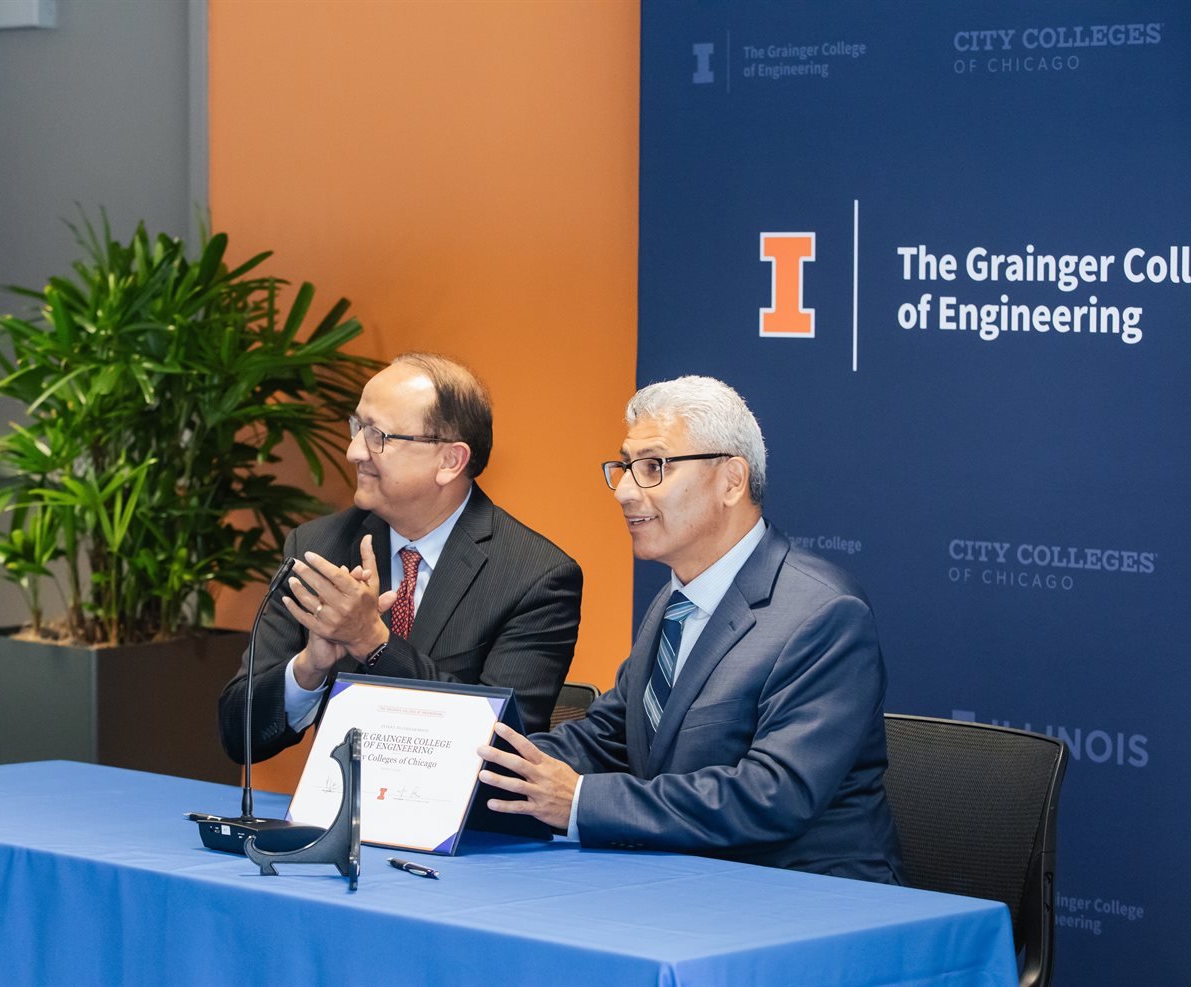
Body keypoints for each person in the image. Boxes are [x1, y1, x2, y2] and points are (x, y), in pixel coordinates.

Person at [476, 376, 903, 882]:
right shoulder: (676, 600)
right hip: (686, 877)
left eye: (653, 467)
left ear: (731, 480)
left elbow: (774, 794)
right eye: (624, 468)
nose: (626, 492)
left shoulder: (824, 613)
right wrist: (482, 768)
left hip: (810, 895)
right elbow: (606, 736)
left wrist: (580, 801)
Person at [218, 353, 582, 763]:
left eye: (379, 436)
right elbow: (239, 737)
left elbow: (499, 749)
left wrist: (372, 642)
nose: (354, 451)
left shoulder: (535, 576)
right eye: (357, 427)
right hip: (336, 816)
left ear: (450, 461)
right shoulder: (317, 547)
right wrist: (308, 668)